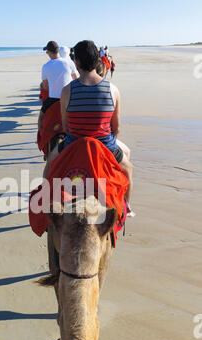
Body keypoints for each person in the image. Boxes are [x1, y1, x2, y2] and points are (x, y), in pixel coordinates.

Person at [44, 40, 135, 217]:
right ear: (96, 60)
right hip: (105, 146)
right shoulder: (113, 89)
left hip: (74, 144)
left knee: (49, 166)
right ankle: (127, 207)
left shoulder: (67, 90)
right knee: (128, 168)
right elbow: (116, 128)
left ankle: (47, 204)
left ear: (77, 62)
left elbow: (66, 126)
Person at [38, 41, 79, 130]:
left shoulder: (46, 66)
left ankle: (40, 137)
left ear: (49, 52)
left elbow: (45, 86)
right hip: (68, 98)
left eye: (47, 52)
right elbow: (76, 79)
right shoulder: (69, 63)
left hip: (53, 99)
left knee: (41, 117)